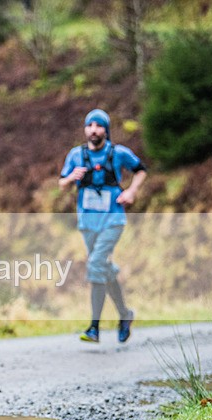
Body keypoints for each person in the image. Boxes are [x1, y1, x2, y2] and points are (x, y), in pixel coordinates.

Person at [59, 108, 147, 344]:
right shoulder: (76, 155)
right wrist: (70, 178)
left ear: (106, 130)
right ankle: (125, 315)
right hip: (87, 222)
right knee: (103, 269)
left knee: (96, 264)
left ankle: (94, 327)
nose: (94, 130)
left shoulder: (118, 153)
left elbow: (140, 170)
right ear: (85, 129)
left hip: (113, 220)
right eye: (90, 125)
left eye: (99, 126)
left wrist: (131, 191)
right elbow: (62, 184)